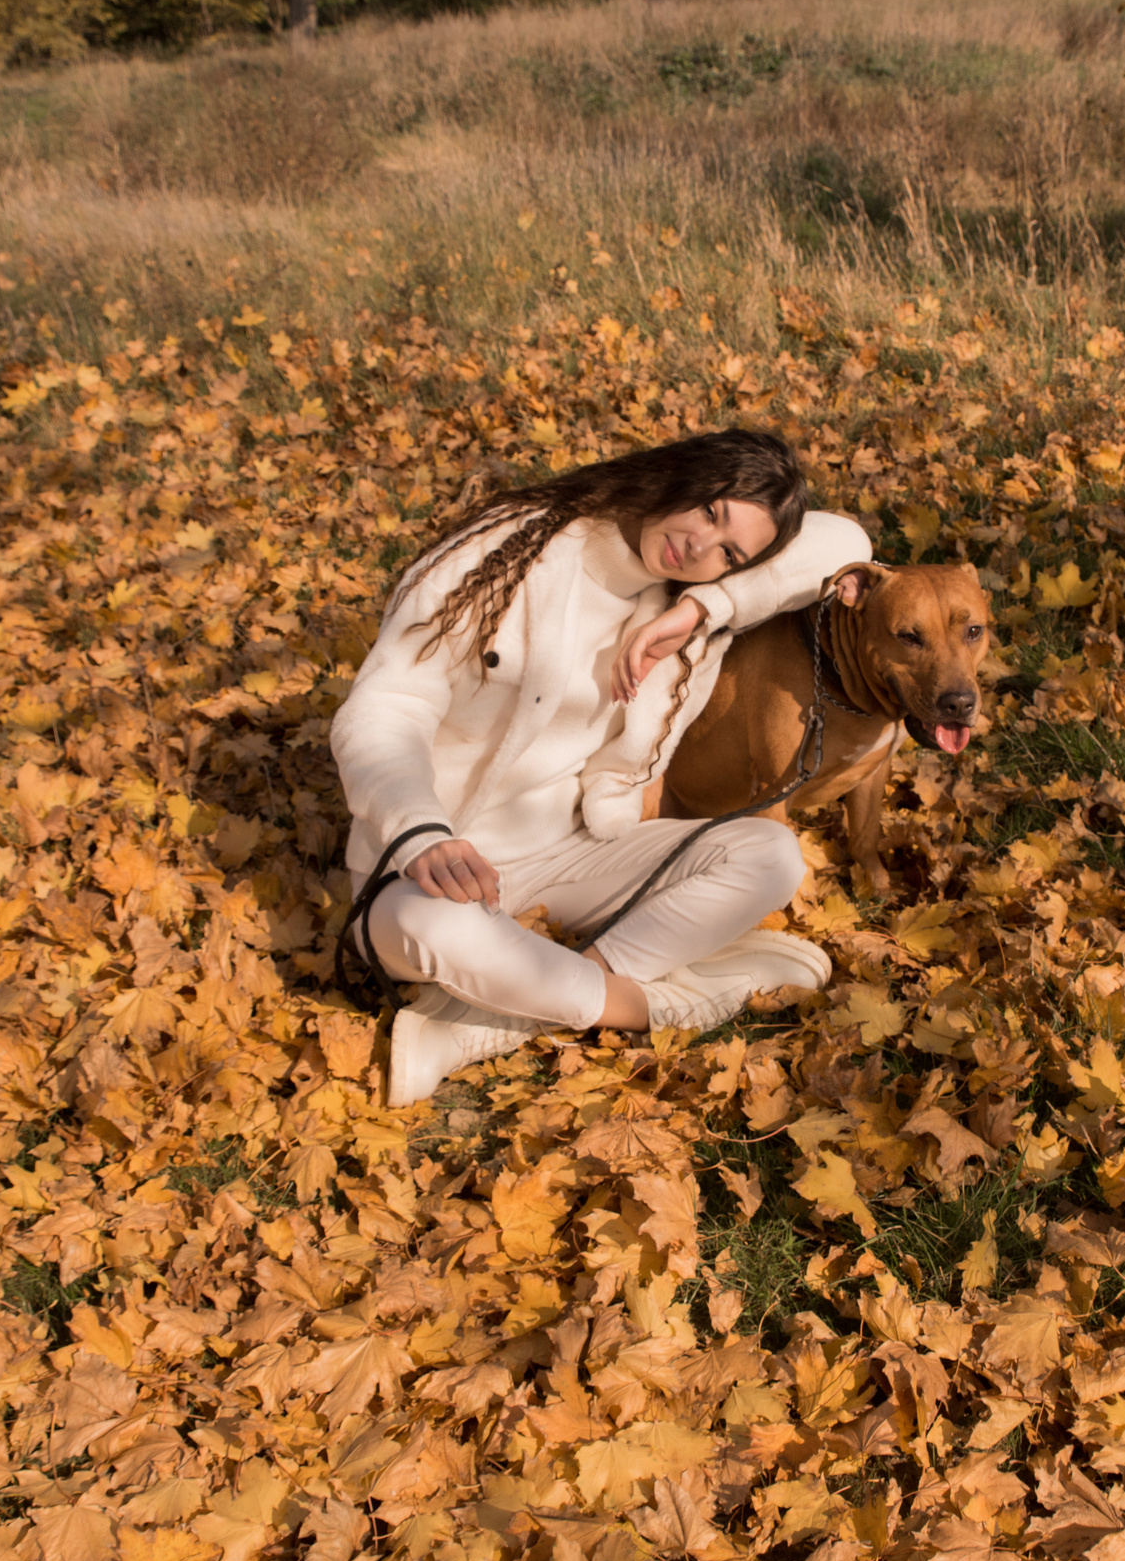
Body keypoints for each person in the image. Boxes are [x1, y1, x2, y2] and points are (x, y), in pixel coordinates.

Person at [332, 428, 873, 1106]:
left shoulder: (688, 610)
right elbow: (385, 707)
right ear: (678, 472)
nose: (700, 547)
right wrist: (419, 831)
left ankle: (498, 1020)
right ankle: (659, 1006)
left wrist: (703, 607)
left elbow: (848, 540)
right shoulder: (513, 549)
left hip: (567, 857)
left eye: (730, 552)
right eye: (709, 510)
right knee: (430, 928)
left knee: (772, 853)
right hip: (432, 869)